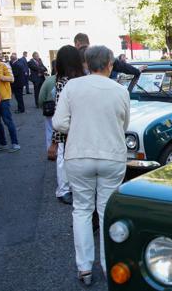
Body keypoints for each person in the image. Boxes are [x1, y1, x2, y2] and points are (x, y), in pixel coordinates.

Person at [52, 46, 130, 285]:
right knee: (107, 210)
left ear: (87, 63)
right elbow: (124, 124)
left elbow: (58, 122)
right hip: (112, 155)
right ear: (109, 64)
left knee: (82, 210)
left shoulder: (72, 87)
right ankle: (109, 265)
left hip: (79, 155)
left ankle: (84, 267)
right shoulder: (120, 90)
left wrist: (77, 127)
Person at [51, 45, 84, 205]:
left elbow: (58, 112)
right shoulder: (74, 81)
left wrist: (55, 138)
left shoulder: (62, 81)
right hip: (74, 128)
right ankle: (64, 189)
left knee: (65, 160)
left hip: (68, 128)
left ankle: (65, 189)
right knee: (66, 160)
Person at [73, 33, 141, 78]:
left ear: (77, 43)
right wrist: (136, 71)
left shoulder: (72, 56)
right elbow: (121, 65)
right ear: (88, 42)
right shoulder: (100, 53)